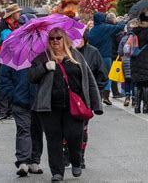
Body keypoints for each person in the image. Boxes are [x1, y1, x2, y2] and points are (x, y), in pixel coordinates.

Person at [28, 28, 102, 181]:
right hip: (49, 108)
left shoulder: (75, 55)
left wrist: (96, 104)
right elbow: (31, 77)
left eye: (58, 38)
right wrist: (44, 67)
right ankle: (57, 172)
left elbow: (89, 80)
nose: (55, 41)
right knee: (53, 140)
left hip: (73, 106)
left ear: (64, 39)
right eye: (52, 38)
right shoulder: (43, 57)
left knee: (74, 136)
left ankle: (75, 160)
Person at [0, 64, 44, 177]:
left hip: (39, 100)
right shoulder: (12, 56)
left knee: (37, 130)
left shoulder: (41, 55)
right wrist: (13, 95)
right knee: (23, 129)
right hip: (20, 101)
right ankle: (23, 161)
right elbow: (4, 79)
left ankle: (34, 160)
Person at [72, 30, 106, 169]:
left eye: (80, 37)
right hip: (69, 97)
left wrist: (95, 90)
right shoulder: (66, 53)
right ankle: (68, 153)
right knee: (67, 129)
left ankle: (80, 157)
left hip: (85, 98)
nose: (78, 40)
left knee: (82, 129)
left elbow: (102, 74)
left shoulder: (93, 52)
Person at [0, 4, 22, 120]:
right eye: (17, 12)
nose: (19, 14)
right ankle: (0, 111)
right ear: (12, 14)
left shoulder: (19, 26)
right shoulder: (0, 27)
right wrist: (7, 52)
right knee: (3, 84)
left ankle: (11, 110)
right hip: (4, 60)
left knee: (15, 83)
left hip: (17, 60)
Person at [88, 12, 125, 106]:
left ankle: (97, 96)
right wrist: (122, 21)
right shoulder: (106, 28)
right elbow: (119, 27)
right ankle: (106, 96)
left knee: (96, 76)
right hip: (106, 56)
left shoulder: (92, 30)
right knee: (108, 76)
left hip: (94, 57)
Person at [108, 13, 125, 99]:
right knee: (114, 73)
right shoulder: (115, 29)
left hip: (107, 53)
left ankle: (109, 93)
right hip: (115, 54)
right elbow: (120, 41)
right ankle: (115, 92)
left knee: (109, 73)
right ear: (114, 20)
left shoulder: (106, 28)